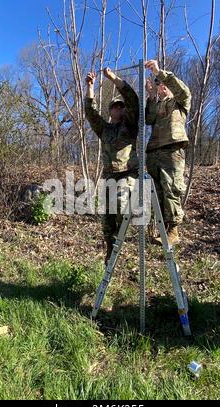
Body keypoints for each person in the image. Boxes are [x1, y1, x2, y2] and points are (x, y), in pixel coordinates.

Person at [85, 68, 139, 264]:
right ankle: (111, 247)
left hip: (128, 174)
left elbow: (132, 99)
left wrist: (113, 79)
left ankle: (122, 236)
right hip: (109, 177)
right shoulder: (105, 129)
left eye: (121, 106)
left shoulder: (131, 125)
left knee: (120, 201)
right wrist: (90, 87)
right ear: (110, 111)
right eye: (115, 107)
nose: (119, 109)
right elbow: (90, 112)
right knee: (107, 220)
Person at [145, 60, 192, 246]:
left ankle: (173, 230)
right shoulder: (157, 105)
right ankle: (163, 228)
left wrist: (159, 72)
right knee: (158, 192)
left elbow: (183, 91)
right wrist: (150, 96)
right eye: (158, 84)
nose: (160, 85)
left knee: (171, 188)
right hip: (154, 151)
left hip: (172, 149)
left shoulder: (179, 102)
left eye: (163, 83)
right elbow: (148, 119)